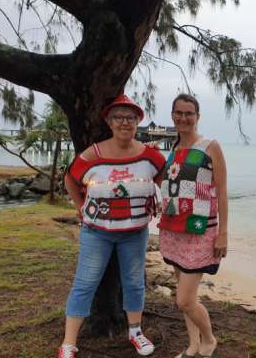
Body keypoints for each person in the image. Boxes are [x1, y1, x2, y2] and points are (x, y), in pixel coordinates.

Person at [58, 94, 166, 358]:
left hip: (135, 232)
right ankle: (69, 343)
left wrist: (153, 199)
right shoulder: (93, 154)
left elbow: (163, 178)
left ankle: (135, 332)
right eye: (118, 117)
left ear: (138, 121)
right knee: (85, 283)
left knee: (134, 283)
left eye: (130, 117)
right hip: (97, 233)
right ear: (109, 121)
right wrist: (79, 206)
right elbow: (71, 179)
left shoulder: (151, 156)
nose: (124, 122)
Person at [158, 93, 228, 358]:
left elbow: (221, 192)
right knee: (186, 298)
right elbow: (172, 188)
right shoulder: (173, 150)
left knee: (184, 299)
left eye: (189, 113)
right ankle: (193, 345)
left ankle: (209, 339)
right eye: (179, 112)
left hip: (201, 231)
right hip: (174, 230)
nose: (183, 118)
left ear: (197, 117)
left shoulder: (210, 146)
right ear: (172, 115)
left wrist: (223, 232)